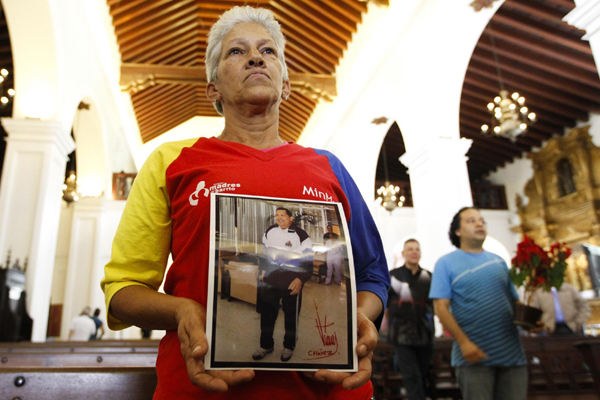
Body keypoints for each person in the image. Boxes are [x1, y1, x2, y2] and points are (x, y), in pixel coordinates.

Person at [101, 6, 390, 400]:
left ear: (285, 86)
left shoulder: (329, 167)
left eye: (268, 51)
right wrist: (182, 311)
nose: (256, 57)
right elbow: (123, 290)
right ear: (213, 89)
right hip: (203, 389)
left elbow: (373, 275)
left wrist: (356, 319)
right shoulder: (172, 162)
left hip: (328, 390)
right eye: (236, 52)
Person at [429, 207, 527, 400]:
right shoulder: (446, 263)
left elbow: (514, 301)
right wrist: (465, 344)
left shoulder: (498, 261)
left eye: (482, 220)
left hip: (511, 353)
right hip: (473, 355)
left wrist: (531, 321)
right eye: (471, 220)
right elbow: (440, 308)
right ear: (458, 231)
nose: (480, 224)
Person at [253, 207, 313, 362]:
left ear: (291, 218)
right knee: (267, 314)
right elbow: (264, 253)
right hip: (271, 278)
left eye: (283, 215)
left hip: (291, 280)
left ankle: (289, 346)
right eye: (277, 215)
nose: (279, 218)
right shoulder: (270, 231)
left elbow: (307, 261)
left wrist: (300, 279)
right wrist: (263, 270)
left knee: (291, 316)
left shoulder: (302, 236)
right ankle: (266, 345)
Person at [387, 239, 433, 400]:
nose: (414, 252)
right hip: (401, 335)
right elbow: (385, 305)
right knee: (411, 377)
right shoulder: (393, 277)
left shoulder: (429, 276)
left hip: (425, 334)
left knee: (423, 375)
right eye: (410, 249)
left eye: (417, 249)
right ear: (404, 254)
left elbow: (435, 304)